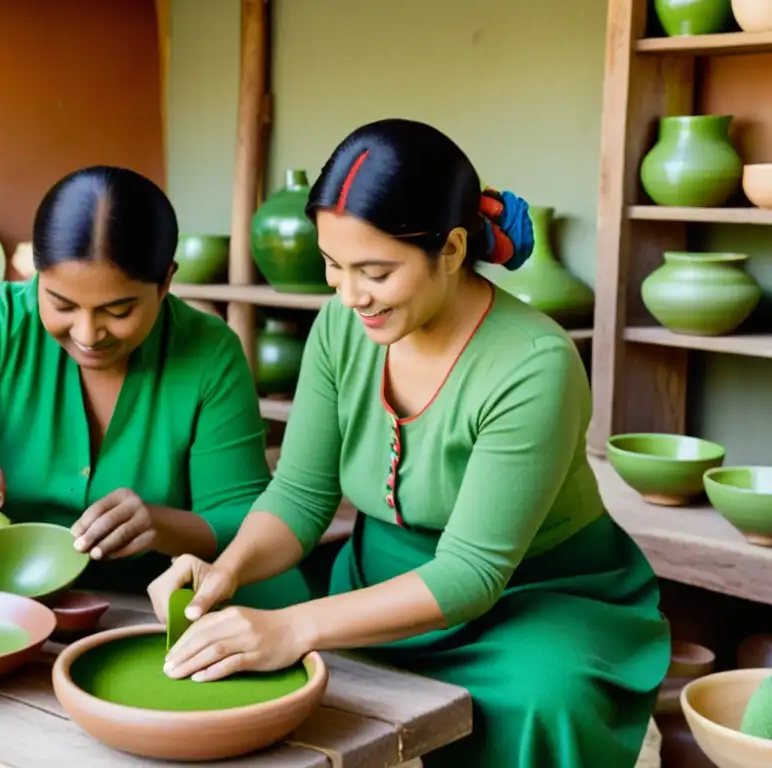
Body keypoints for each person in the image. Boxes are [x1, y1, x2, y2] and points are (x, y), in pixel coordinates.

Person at [148, 119, 670, 767]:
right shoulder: (342, 327)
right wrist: (227, 570)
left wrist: (296, 626)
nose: (347, 293)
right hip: (373, 585)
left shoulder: (534, 363)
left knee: (544, 700)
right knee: (232, 652)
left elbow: (472, 574)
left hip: (532, 600)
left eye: (374, 271)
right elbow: (301, 496)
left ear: (451, 249)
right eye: (332, 265)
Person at [0, 165, 311, 604]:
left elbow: (243, 519)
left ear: (166, 282)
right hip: (12, 589)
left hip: (160, 604)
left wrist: (157, 524)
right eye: (61, 304)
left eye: (119, 311)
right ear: (35, 274)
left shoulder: (209, 352)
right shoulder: (4, 322)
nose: (87, 335)